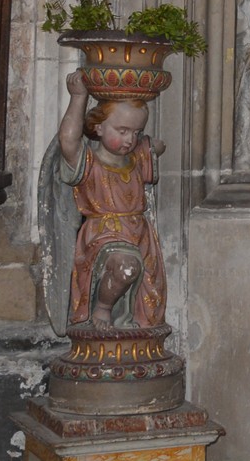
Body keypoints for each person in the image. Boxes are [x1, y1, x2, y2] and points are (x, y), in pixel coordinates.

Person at [54, 73, 167, 328]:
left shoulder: (136, 159)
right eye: (122, 130)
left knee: (147, 303)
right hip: (103, 233)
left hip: (138, 234)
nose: (129, 139)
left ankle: (126, 324)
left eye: (136, 132)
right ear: (99, 127)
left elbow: (158, 146)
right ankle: (102, 309)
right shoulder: (89, 163)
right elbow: (68, 140)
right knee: (126, 267)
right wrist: (79, 97)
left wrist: (149, 145)